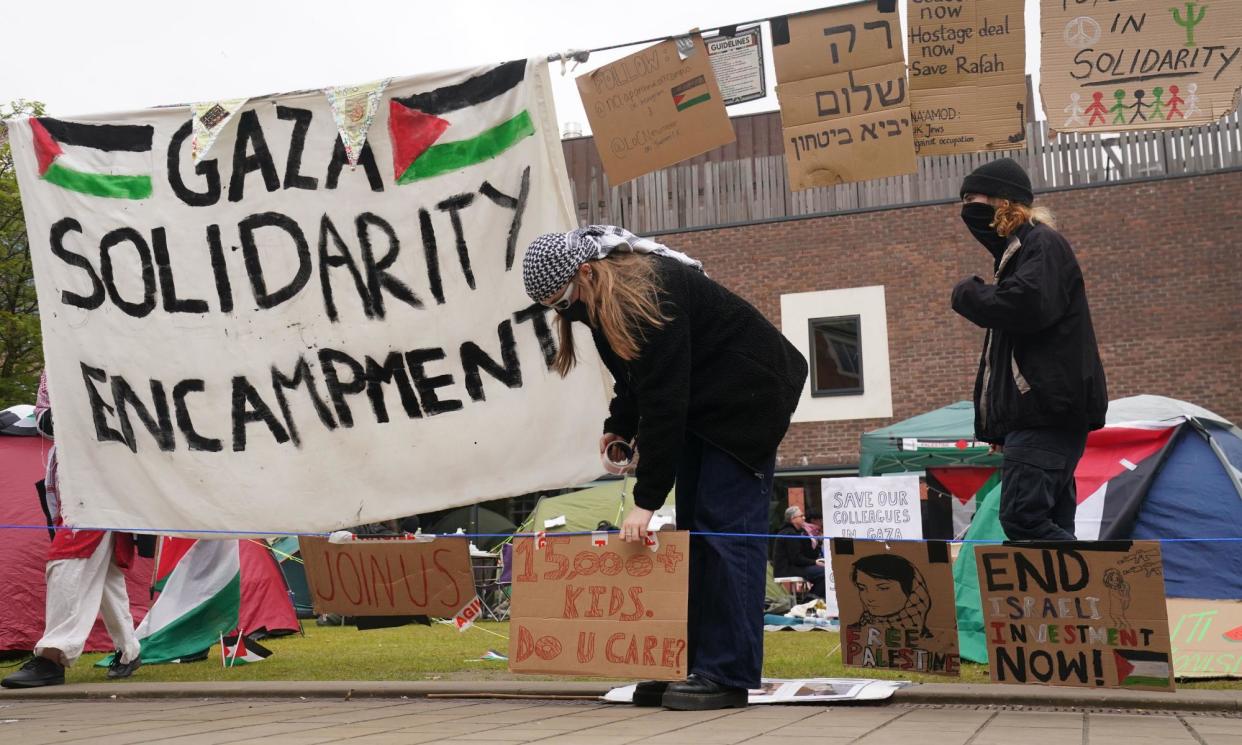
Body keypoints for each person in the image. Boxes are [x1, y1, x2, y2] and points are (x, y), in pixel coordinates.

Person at [522, 225, 808, 711]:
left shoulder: (652, 290)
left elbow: (665, 401)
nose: (562, 311)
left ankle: (726, 673)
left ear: (586, 272)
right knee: (695, 539)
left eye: (562, 300)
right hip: (705, 406)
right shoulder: (600, 300)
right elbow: (635, 377)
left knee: (725, 538)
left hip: (746, 403)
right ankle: (693, 664)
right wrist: (618, 427)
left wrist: (646, 502)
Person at [951, 158, 1108, 542]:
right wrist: (1001, 425)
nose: (966, 207)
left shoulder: (1040, 243)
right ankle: (1072, 600)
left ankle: (1109, 589)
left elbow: (1026, 305)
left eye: (974, 197)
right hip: (1044, 416)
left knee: (1024, 519)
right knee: (1048, 521)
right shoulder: (1022, 252)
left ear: (1005, 202)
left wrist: (968, 293)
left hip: (1044, 416)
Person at [1, 371, 142, 688]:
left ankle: (54, 654)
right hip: (69, 478)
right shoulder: (54, 363)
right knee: (102, 569)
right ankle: (129, 649)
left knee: (69, 557)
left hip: (109, 477)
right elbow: (42, 418)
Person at [845, 554, 931, 638]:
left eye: (883, 588)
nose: (870, 598)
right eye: (862, 588)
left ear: (911, 589)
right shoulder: (857, 631)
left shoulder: (930, 640)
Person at [772, 506, 826, 598]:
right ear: (793, 519)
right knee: (825, 573)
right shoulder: (789, 533)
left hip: (795, 566)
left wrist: (815, 542)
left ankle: (811, 600)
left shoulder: (799, 532)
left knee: (824, 573)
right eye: (801, 516)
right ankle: (809, 602)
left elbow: (806, 554)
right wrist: (814, 562)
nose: (804, 518)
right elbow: (796, 559)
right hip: (787, 569)